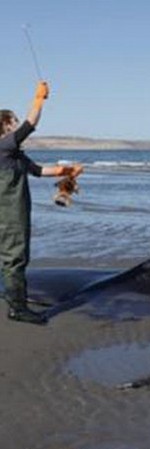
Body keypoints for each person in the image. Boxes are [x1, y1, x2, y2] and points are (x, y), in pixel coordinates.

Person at [1, 81, 84, 325]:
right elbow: (30, 125)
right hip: (8, 215)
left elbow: (38, 171)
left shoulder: (15, 154)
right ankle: (17, 308)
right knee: (15, 258)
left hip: (15, 212)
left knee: (15, 257)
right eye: (13, 122)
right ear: (5, 125)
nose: (16, 125)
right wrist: (39, 99)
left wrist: (67, 170)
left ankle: (16, 300)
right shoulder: (3, 146)